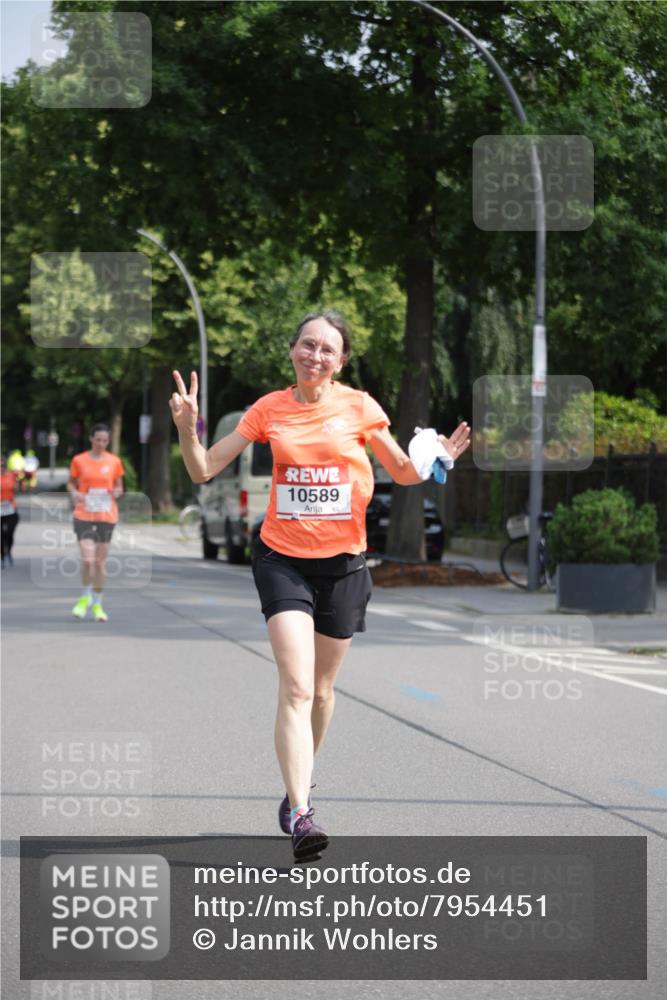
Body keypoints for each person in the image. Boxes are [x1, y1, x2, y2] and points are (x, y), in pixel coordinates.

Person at [170, 311, 471, 861]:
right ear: (293, 350)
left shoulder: (360, 407)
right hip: (282, 558)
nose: (315, 356)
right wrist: (187, 428)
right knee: (298, 686)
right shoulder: (268, 409)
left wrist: (437, 458)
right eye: (307, 345)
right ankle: (302, 811)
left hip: (345, 566)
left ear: (342, 360)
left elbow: (402, 471)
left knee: (325, 693)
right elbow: (203, 470)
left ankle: (297, 787)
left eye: (327, 350)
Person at [67, 424, 124, 622]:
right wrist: (74, 492)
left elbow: (119, 486)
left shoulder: (114, 461)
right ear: (91, 439)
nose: (101, 443)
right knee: (88, 560)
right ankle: (85, 597)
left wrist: (117, 492)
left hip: (106, 516)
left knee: (100, 563)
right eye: (98, 439)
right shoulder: (79, 460)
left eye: (104, 440)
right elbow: (70, 482)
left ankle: (98, 603)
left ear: (108, 441)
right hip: (83, 513)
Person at [1, 456, 20, 568]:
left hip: (10, 508)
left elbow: (16, 490)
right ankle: (2, 556)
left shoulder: (11, 476)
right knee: (1, 535)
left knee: (9, 533)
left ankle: (8, 551)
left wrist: (17, 482)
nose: (1, 468)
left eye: (2, 465)